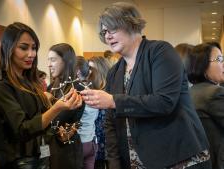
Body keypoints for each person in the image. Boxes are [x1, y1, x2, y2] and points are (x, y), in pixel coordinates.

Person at [80, 2, 211, 169]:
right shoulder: (114, 72)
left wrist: (114, 101)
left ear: (130, 24)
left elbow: (164, 102)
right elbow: (110, 124)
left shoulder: (160, 51)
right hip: (137, 162)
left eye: (112, 29)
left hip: (179, 158)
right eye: (104, 32)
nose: (107, 36)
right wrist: (113, 163)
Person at [0, 22, 82, 169]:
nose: (31, 54)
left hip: (43, 156)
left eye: (34, 48)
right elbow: (22, 130)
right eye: (23, 48)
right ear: (8, 48)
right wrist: (55, 108)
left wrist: (58, 127)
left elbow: (43, 122)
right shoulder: (0, 85)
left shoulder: (30, 82)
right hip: (19, 162)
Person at [47, 43, 85, 169]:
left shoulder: (77, 89)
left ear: (66, 61)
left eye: (53, 60)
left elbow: (64, 123)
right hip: (51, 150)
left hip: (68, 152)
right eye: (48, 60)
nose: (49, 64)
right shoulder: (51, 87)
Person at [187, 42, 224, 169]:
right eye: (219, 59)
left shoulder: (192, 91)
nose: (223, 63)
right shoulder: (214, 93)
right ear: (203, 65)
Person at [88, 56, 111, 169]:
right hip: (94, 145)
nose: (89, 72)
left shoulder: (110, 92)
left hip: (110, 144)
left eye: (92, 69)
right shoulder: (89, 91)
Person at [76, 56, 99, 169]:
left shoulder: (77, 92)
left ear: (77, 71)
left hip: (79, 143)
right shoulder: (93, 90)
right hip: (91, 141)